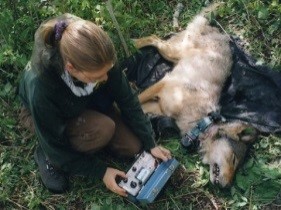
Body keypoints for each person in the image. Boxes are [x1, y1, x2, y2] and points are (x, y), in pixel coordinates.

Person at [18, 13, 172, 196]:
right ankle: (45, 152)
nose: (106, 78)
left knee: (133, 146)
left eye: (106, 72)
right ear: (71, 68)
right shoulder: (42, 87)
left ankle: (92, 127)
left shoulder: (98, 54)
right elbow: (56, 146)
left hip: (84, 100)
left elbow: (127, 99)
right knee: (103, 129)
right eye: (96, 77)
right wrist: (101, 171)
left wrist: (150, 142)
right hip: (50, 115)